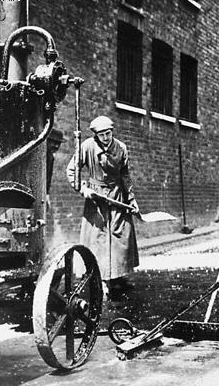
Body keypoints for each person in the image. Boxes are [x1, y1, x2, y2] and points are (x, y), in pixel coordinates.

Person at [66, 116, 140, 301]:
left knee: (120, 237)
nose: (106, 137)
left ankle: (118, 276)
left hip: (116, 196)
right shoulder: (87, 146)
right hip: (96, 198)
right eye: (102, 135)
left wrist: (131, 199)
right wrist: (83, 189)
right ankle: (101, 281)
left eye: (108, 133)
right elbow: (71, 170)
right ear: (96, 135)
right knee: (97, 239)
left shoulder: (121, 148)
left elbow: (125, 175)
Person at [46, 128, 65, 209]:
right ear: (47, 140)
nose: (56, 146)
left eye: (58, 143)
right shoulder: (44, 155)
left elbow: (48, 177)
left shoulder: (50, 156)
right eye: (54, 142)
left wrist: (47, 194)